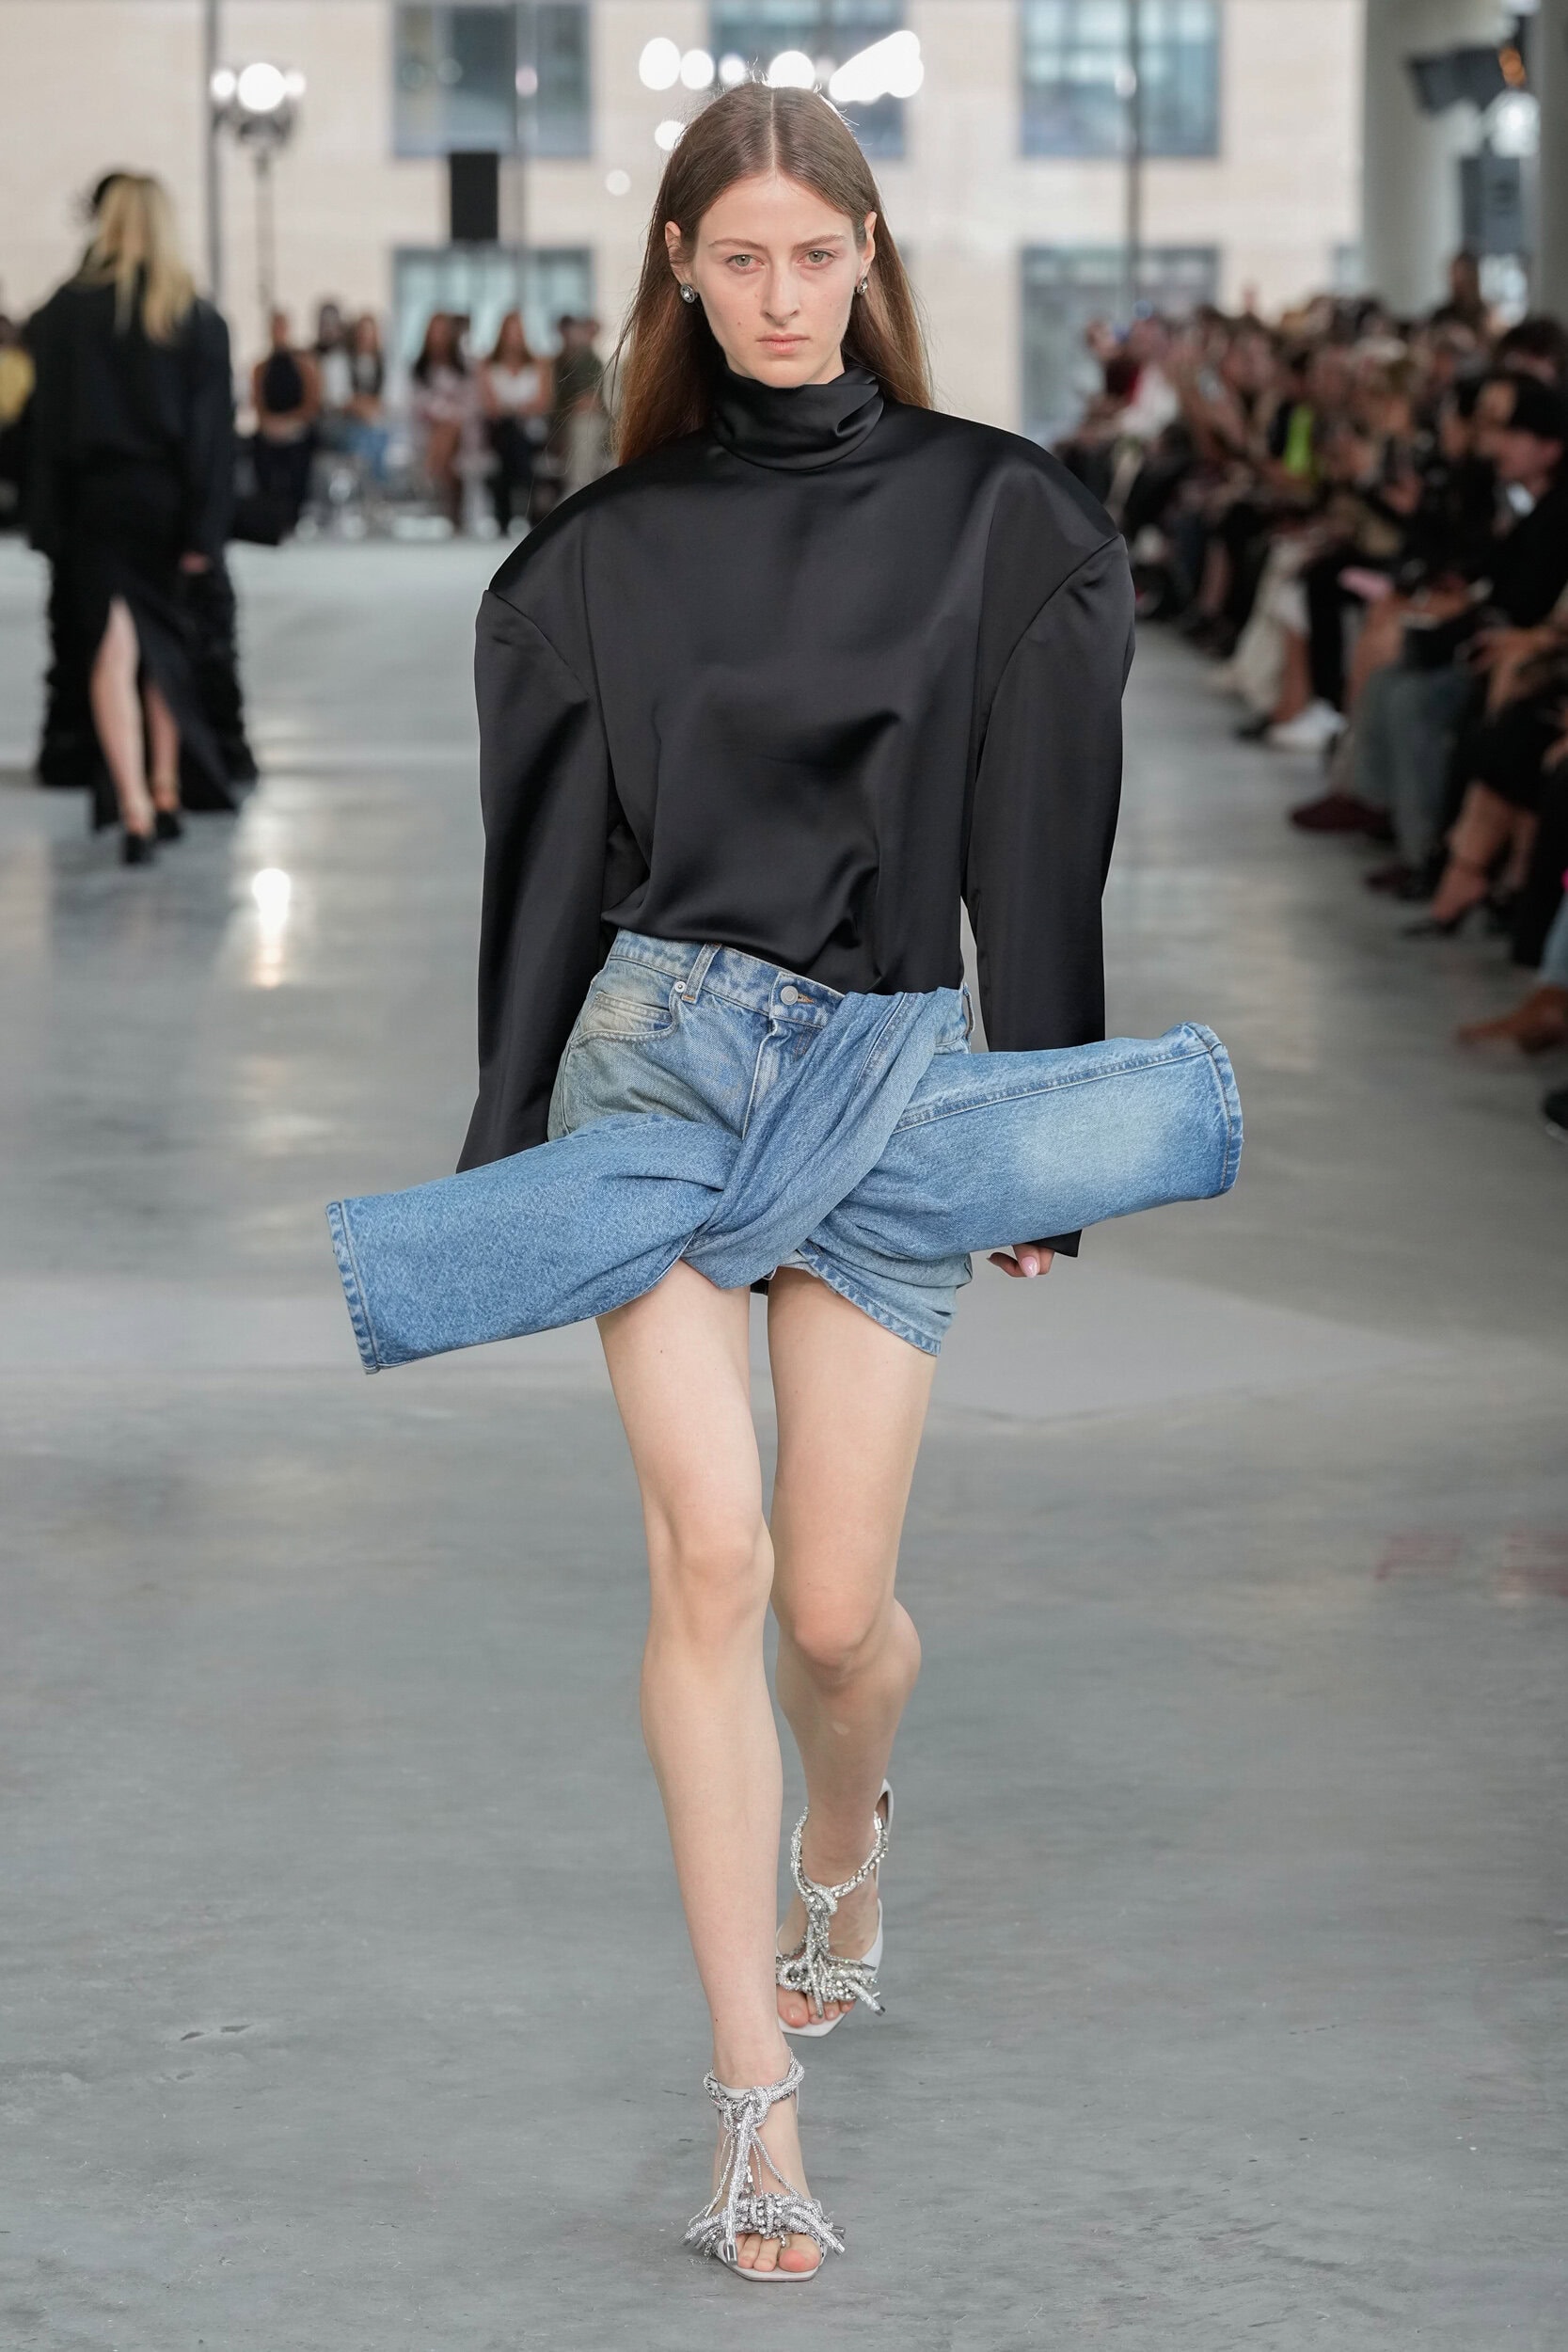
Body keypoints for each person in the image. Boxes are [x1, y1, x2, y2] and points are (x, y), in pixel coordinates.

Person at [325, 83, 1241, 2283]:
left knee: (834, 1611)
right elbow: (546, 883)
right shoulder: (593, 557)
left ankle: (846, 1824)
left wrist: (1037, 1122)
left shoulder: (1001, 520)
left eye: (813, 255)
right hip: (656, 1064)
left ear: (865, 259)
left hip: (891, 1077)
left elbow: (1037, 838)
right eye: (735, 257)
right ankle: (754, 2099)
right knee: (711, 1562)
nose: (778, 295)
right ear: (676, 267)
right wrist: (508, 1151)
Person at [25, 173, 233, 861]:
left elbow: (48, 427)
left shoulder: (63, 312)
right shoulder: (193, 317)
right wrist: (204, 530)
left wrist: (47, 521)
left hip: (97, 503)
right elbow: (211, 437)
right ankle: (165, 787)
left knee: (112, 650)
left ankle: (135, 806)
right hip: (166, 502)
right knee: (161, 645)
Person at [478, 310, 549, 533]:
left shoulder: (539, 363)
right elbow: (489, 405)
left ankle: (505, 514)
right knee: (511, 437)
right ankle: (528, 507)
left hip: (531, 430)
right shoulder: (488, 364)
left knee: (513, 443)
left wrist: (515, 410)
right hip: (501, 429)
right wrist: (515, 410)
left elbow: (544, 402)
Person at [251, 309, 319, 533]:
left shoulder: (304, 366)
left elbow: (311, 403)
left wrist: (290, 422)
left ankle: (296, 514)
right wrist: (271, 423)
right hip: (271, 428)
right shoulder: (261, 368)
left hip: (297, 427)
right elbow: (258, 403)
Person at [409, 310, 476, 528]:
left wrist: (445, 411)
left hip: (462, 432)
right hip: (426, 431)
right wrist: (444, 410)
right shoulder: (418, 370)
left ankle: (430, 482)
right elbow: (417, 403)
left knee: (449, 429)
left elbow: (470, 405)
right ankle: (443, 501)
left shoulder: (464, 367)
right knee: (443, 432)